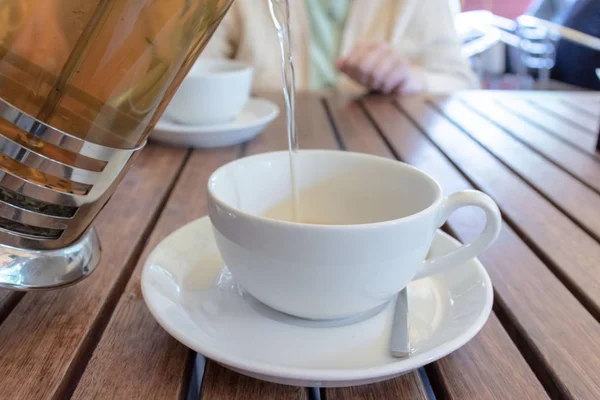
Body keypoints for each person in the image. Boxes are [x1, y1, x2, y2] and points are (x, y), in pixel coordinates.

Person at [202, 0, 478, 94]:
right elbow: (192, 77)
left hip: (389, 165)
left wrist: (412, 79)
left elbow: (461, 83)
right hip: (256, 159)